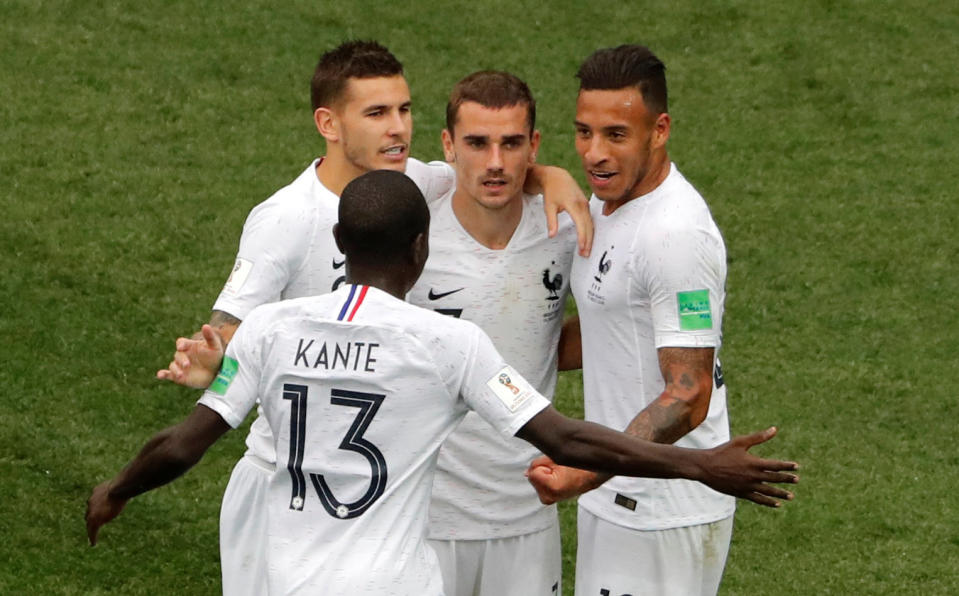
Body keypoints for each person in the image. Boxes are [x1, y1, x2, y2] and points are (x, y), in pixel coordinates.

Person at [87, 169, 799, 596]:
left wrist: (114, 490)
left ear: (338, 246)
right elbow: (570, 437)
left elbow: (182, 445)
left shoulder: (271, 331)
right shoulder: (448, 344)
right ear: (420, 248)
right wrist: (699, 464)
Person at [156, 41, 591, 595]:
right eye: (378, 113)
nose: (398, 129)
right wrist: (215, 359)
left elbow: (490, 167)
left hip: (371, 480)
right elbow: (227, 329)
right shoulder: (285, 219)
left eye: (405, 110)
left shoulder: (415, 182)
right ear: (329, 124)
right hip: (283, 478)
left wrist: (551, 175)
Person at [526, 44, 755, 595]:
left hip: (660, 508)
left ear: (660, 130)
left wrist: (585, 468)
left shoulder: (675, 236)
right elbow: (611, 329)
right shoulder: (610, 203)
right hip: (620, 491)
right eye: (583, 132)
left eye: (616, 135)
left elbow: (689, 394)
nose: (594, 154)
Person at [405, 70, 576, 596]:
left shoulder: (567, 230)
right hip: (428, 518)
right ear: (448, 146)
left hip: (526, 511)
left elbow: (604, 325)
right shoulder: (411, 234)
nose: (496, 163)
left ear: (534, 146)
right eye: (477, 143)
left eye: (512, 144)